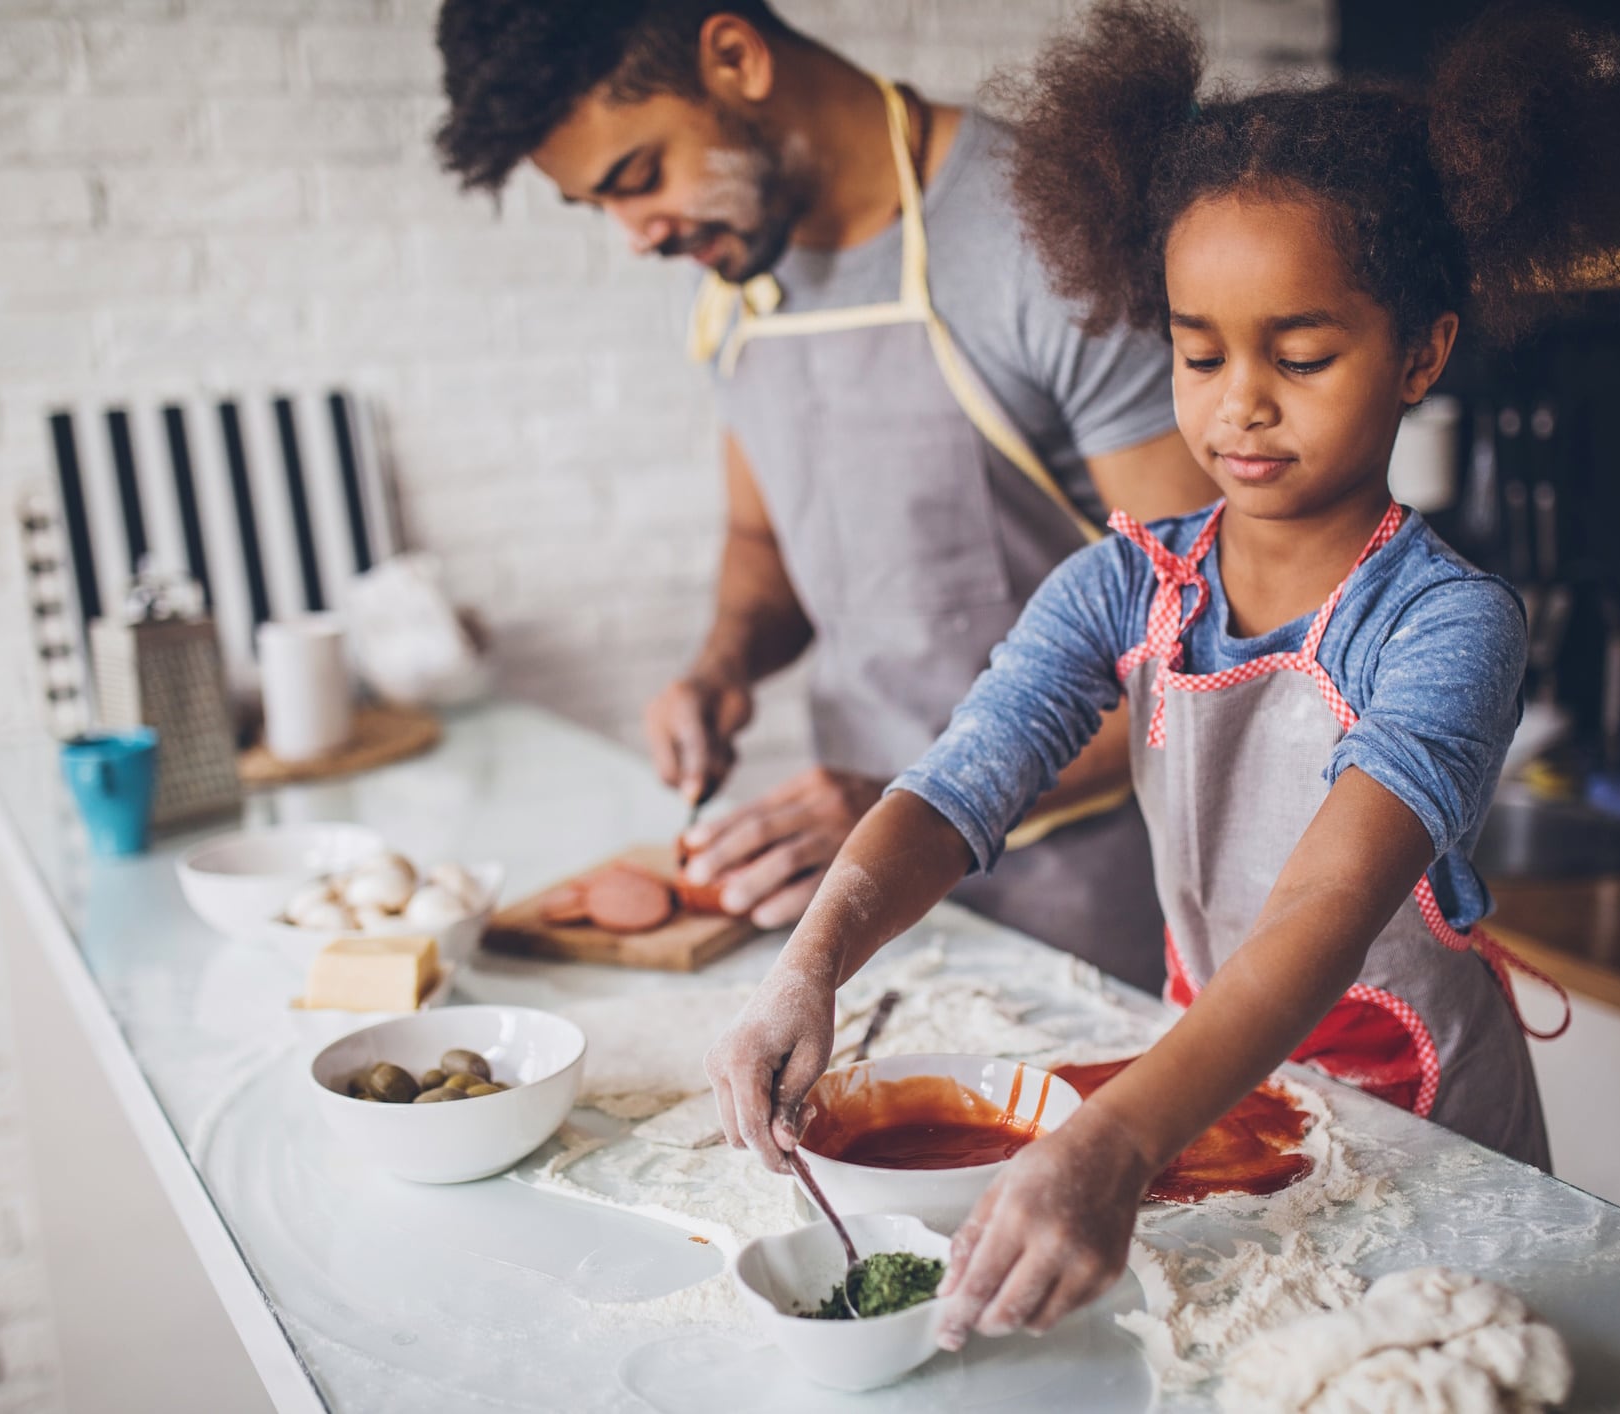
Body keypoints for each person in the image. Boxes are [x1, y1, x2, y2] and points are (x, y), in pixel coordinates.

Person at [704, 0, 1620, 1350]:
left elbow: (1321, 912)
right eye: (1197, 352)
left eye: (1300, 354)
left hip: (1419, 1121)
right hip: (1210, 1091)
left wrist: (1121, 1131)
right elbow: (961, 779)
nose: (1235, 403)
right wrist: (811, 961)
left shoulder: (1447, 624)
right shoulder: (1123, 581)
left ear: (1422, 353)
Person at [433, 1, 1218, 991]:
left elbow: (1201, 652)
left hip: (1087, 914)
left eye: (638, 178)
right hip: (858, 899)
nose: (636, 237)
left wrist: (918, 806)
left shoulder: (1046, 235)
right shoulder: (731, 262)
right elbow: (767, 543)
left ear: (734, 57)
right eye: (600, 206)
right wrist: (723, 666)